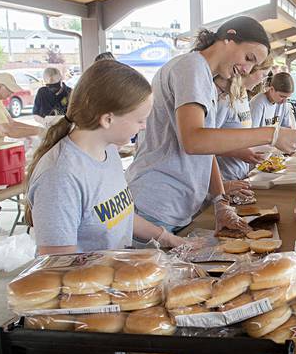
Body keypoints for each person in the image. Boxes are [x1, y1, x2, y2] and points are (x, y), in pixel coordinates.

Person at [126, 16, 296, 232]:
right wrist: (273, 134)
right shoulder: (192, 66)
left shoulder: (205, 80)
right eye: (248, 58)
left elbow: (207, 147)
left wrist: (220, 200)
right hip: (157, 206)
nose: (247, 70)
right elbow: (194, 140)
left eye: (253, 65)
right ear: (229, 37)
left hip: (177, 207)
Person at [26, 61, 189, 255]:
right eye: (140, 120)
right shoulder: (60, 177)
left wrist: (168, 238)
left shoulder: (108, 151)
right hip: (86, 283)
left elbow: (120, 214)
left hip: (115, 278)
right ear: (107, 119)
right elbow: (58, 266)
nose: (144, 126)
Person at [0, 72, 44, 237]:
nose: (11, 94)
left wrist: (34, 131)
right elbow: (5, 129)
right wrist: (39, 130)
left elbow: (11, 123)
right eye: (9, 90)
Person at [215, 57, 273, 186]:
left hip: (239, 175)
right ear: (250, 69)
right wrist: (237, 152)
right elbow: (204, 143)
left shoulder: (243, 95)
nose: (263, 80)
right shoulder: (224, 98)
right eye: (263, 75)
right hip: (222, 179)